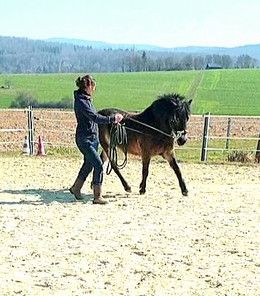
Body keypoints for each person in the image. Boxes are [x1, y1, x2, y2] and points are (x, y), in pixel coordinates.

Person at [69, 74, 123, 204]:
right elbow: (95, 117)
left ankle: (76, 188)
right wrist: (112, 119)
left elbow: (95, 117)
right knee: (98, 164)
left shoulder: (86, 99)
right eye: (93, 86)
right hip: (85, 139)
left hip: (92, 138)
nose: (94, 89)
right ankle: (97, 196)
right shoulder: (82, 102)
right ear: (88, 86)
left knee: (88, 164)